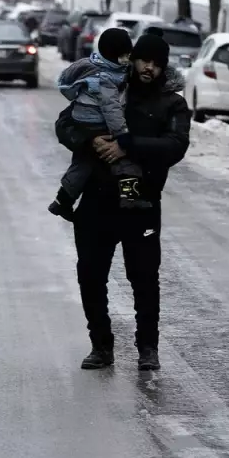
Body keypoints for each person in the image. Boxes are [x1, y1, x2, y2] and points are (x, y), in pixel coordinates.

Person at [55, 32, 191, 371]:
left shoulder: (171, 103)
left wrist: (128, 146)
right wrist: (90, 141)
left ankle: (148, 348)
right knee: (90, 274)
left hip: (141, 203)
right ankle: (101, 345)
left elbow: (175, 147)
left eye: (157, 64)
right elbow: (64, 124)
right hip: (97, 201)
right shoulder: (108, 85)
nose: (150, 68)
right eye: (145, 60)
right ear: (132, 59)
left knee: (144, 277)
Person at [49, 27, 150, 221]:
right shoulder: (106, 78)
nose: (127, 59)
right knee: (127, 164)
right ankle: (130, 199)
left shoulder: (94, 67)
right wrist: (122, 136)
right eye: (124, 55)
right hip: (95, 124)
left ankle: (62, 201)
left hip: (85, 120)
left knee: (82, 166)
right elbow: (111, 110)